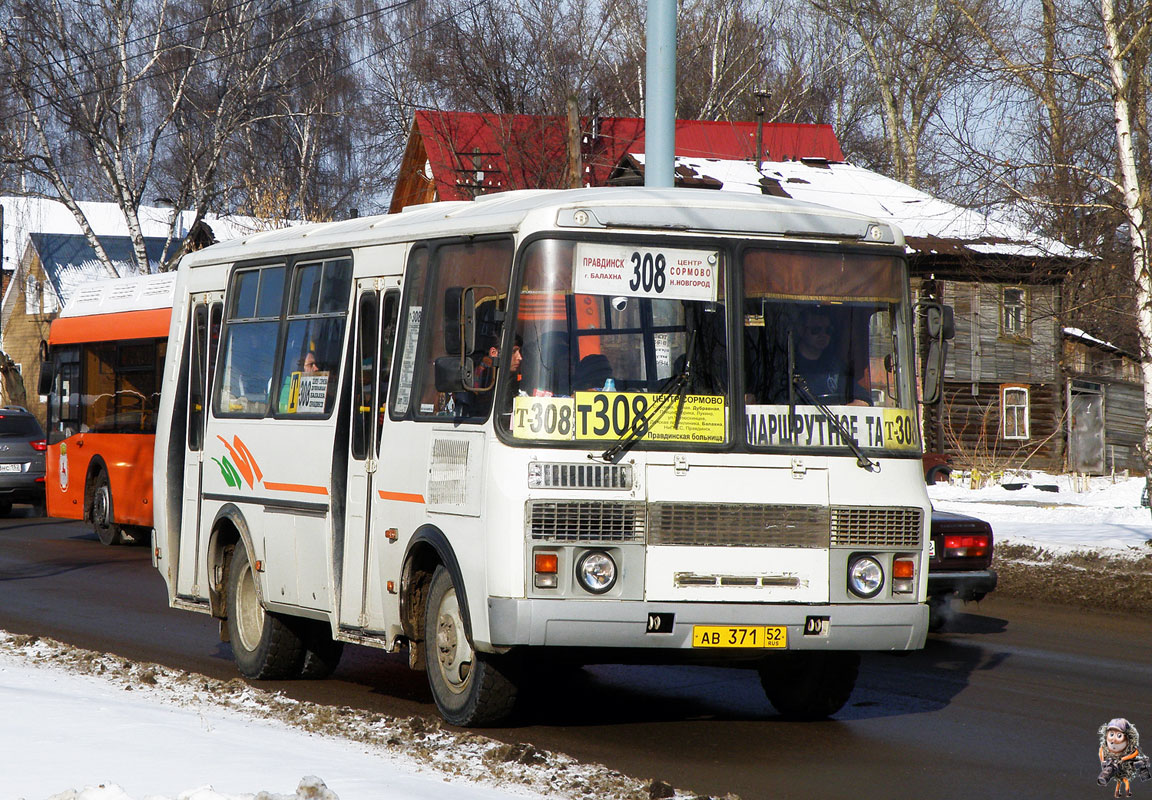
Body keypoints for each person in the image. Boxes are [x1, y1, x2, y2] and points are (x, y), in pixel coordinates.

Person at [792, 308, 869, 406]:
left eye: (828, 330)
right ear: (801, 330)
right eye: (816, 330)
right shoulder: (789, 366)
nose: (823, 335)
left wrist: (841, 414)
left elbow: (864, 400)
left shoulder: (836, 366)